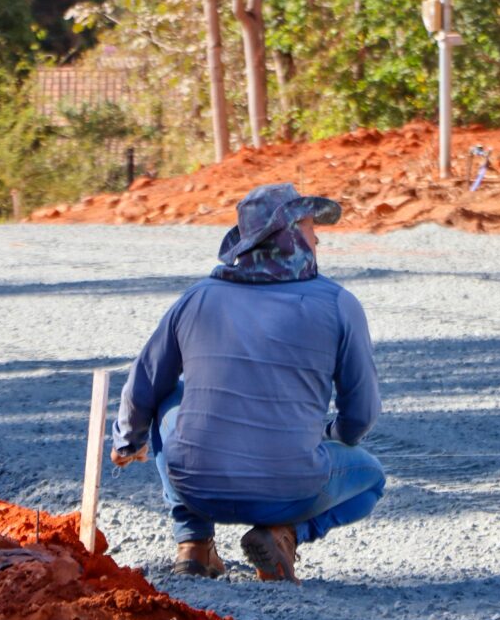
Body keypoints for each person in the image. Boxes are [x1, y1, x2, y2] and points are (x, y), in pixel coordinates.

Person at [109, 182, 385, 583]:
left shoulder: (197, 298)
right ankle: (284, 534)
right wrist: (331, 436)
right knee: (371, 478)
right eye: (311, 227)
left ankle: (193, 543)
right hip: (292, 490)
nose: (318, 238)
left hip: (197, 489)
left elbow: (144, 383)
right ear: (290, 233)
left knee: (171, 396)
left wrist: (127, 441)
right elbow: (360, 416)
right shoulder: (338, 304)